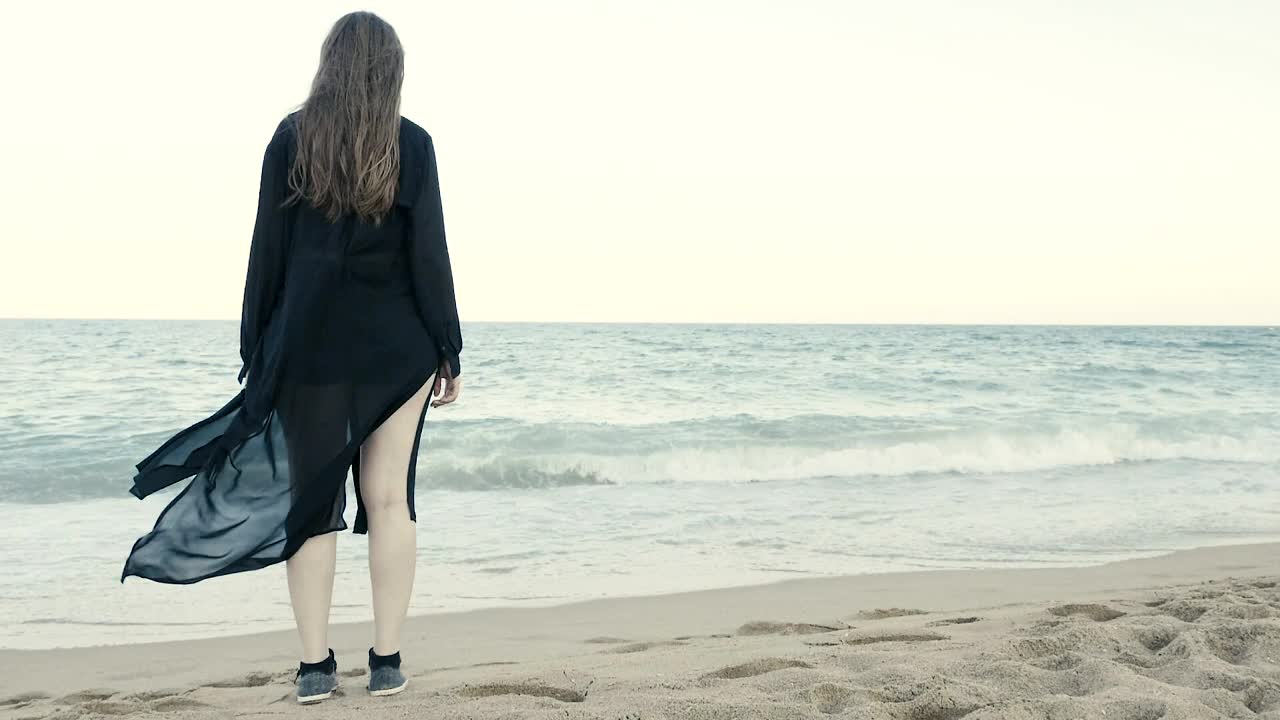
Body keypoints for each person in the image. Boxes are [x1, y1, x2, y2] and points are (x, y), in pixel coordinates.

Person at [120, 11, 463, 704]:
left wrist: (257, 348)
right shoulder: (413, 143)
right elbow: (429, 255)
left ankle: (314, 669)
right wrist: (447, 348)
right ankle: (387, 662)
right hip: (398, 348)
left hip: (311, 348)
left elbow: (267, 254)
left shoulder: (291, 137)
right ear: (392, 70)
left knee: (313, 504)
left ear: (329, 63)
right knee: (390, 499)